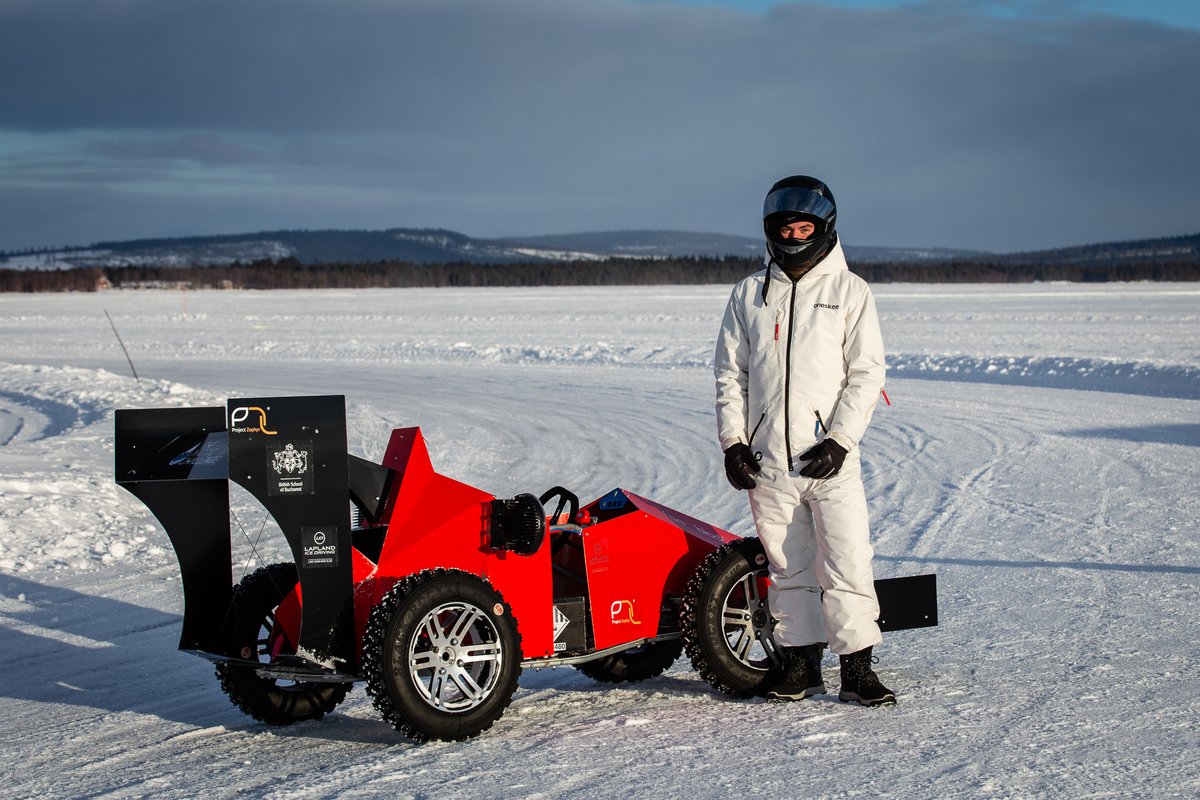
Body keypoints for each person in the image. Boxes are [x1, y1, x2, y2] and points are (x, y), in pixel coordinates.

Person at [714, 175, 895, 706]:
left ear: (823, 227)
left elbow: (867, 374)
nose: (794, 235)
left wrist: (840, 440)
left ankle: (857, 669)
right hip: (770, 463)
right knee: (787, 565)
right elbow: (731, 375)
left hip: (829, 463)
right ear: (771, 229)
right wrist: (733, 442)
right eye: (785, 226)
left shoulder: (850, 292)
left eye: (804, 226)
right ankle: (800, 666)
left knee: (847, 561)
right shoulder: (749, 293)